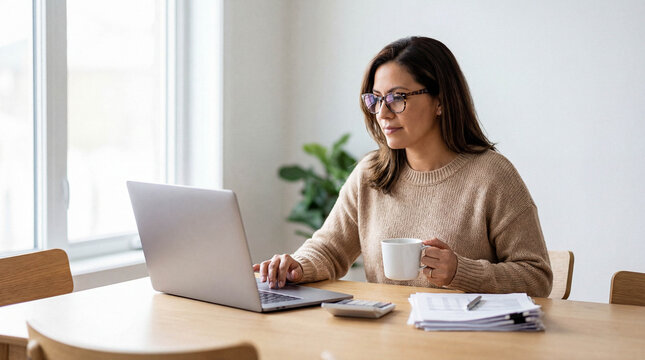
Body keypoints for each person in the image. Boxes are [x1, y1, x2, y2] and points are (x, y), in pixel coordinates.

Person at [253, 36, 553, 297]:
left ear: (441, 101)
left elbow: (536, 277)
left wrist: (461, 271)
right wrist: (296, 266)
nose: (382, 113)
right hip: (387, 337)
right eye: (376, 99)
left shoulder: (492, 175)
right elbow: (330, 250)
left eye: (398, 98)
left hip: (466, 342)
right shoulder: (371, 173)